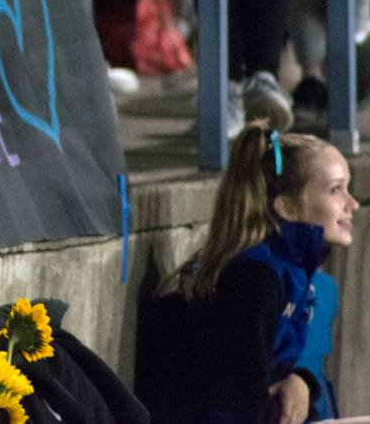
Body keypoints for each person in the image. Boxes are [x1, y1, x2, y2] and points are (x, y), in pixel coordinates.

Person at [136, 122, 359, 423]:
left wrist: (302, 381)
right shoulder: (254, 280)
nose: (353, 204)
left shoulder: (287, 270)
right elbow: (240, 403)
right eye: (336, 190)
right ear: (287, 208)